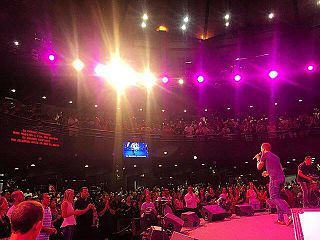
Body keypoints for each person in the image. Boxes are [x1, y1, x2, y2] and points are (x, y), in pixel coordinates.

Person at [255, 143, 292, 225]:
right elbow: (280, 169)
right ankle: (280, 219)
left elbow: (259, 167)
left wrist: (258, 158)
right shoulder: (276, 157)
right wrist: (268, 173)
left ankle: (290, 214)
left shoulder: (265, 154)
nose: (261, 151)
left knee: (273, 198)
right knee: (277, 198)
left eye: (261, 149)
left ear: (263, 149)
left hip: (275, 180)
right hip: (281, 178)